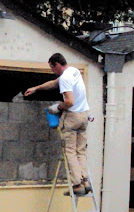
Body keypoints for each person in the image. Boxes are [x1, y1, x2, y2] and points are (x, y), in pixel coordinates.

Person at [25, 53, 90, 196]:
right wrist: (36, 88)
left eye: (52, 68)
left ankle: (77, 185)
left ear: (56, 64)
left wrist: (57, 108)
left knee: (70, 152)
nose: (52, 71)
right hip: (84, 116)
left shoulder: (66, 78)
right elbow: (54, 83)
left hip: (72, 117)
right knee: (81, 151)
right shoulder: (73, 71)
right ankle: (85, 181)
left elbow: (69, 102)